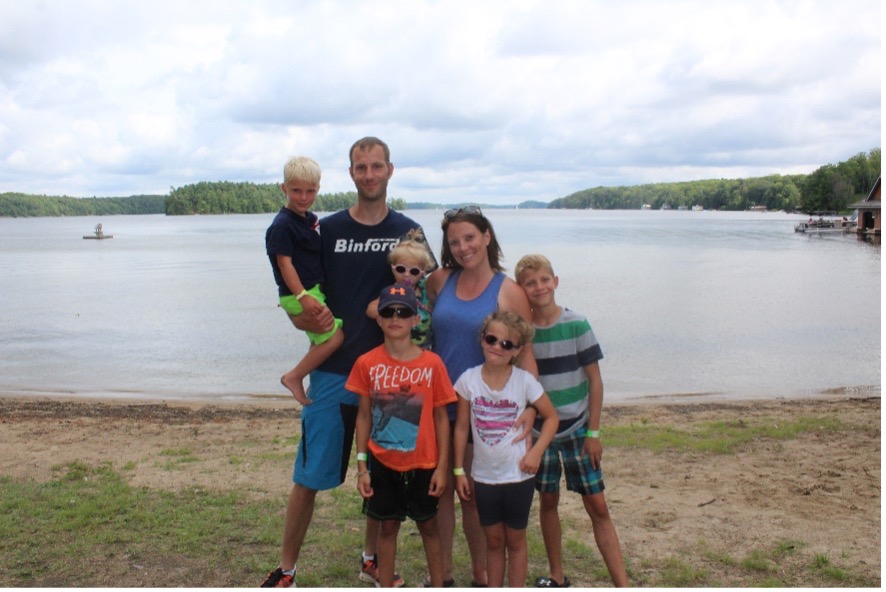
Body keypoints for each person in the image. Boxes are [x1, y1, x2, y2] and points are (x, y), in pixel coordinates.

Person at [261, 137, 434, 588]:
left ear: (390, 171)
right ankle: (287, 568)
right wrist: (301, 316)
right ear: (352, 173)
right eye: (361, 167)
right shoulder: (327, 230)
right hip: (335, 370)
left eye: (378, 166)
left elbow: (430, 296)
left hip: (392, 374)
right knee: (309, 475)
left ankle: (372, 558)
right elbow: (297, 284)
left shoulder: (410, 230)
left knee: (385, 471)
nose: (370, 174)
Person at [424, 206, 538, 587]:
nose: (462, 247)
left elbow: (526, 356)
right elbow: (418, 324)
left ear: (487, 237)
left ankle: (481, 576)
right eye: (454, 241)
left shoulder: (509, 291)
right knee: (438, 492)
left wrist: (532, 412)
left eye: (470, 237)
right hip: (439, 405)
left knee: (471, 495)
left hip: (484, 411)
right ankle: (442, 577)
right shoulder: (439, 280)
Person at [514, 254, 629, 588]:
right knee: (548, 502)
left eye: (544, 280)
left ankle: (622, 583)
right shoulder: (524, 334)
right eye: (530, 283)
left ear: (556, 281)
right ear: (522, 290)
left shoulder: (577, 323)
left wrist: (594, 431)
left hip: (578, 428)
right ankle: (556, 575)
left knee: (597, 505)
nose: (539, 287)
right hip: (540, 435)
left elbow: (595, 381)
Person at [349, 283, 456, 587]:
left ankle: (437, 584)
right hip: (382, 463)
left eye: (403, 312)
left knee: (430, 529)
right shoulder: (366, 363)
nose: (395, 317)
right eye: (388, 312)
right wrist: (361, 468)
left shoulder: (432, 364)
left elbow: (441, 417)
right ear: (379, 319)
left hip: (424, 464)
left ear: (415, 319)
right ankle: (384, 583)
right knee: (387, 528)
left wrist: (441, 467)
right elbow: (364, 416)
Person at [453, 311, 559, 587]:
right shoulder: (468, 380)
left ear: (517, 350)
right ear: (482, 339)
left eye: (507, 344)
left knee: (515, 541)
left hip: (518, 477)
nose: (497, 347)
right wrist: (458, 470)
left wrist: (535, 453)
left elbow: (552, 418)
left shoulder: (524, 381)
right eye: (492, 339)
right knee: (493, 541)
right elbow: (462, 428)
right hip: (484, 477)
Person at [266, 156, 344, 405]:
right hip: (301, 294)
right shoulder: (282, 225)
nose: (303, 197)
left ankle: (308, 380)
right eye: (296, 191)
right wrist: (302, 296)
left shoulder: (309, 220)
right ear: (284, 188)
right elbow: (283, 263)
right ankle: (294, 376)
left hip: (311, 291)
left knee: (321, 338)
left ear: (318, 189)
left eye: (310, 191)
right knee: (335, 338)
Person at [366, 230, 435, 347]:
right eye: (401, 269)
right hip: (400, 347)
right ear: (393, 269)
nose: (407, 275)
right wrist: (389, 314)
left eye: (414, 271)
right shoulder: (393, 292)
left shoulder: (427, 288)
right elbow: (370, 309)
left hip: (426, 347)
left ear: (422, 272)